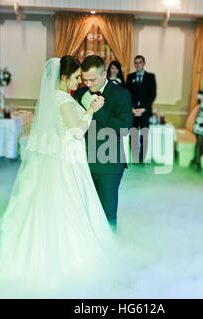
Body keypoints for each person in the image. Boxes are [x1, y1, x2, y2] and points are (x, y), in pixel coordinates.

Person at [0, 57, 118, 295]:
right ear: (63, 77)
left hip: (56, 155)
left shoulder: (52, 97)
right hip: (67, 159)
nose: (77, 83)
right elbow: (76, 131)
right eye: (74, 78)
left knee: (43, 202)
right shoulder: (63, 99)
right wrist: (92, 110)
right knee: (67, 204)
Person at [73, 55, 133, 232]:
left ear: (105, 74)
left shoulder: (121, 94)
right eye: (85, 80)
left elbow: (124, 128)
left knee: (107, 215)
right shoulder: (79, 94)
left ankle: (110, 253)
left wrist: (97, 111)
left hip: (109, 165)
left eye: (93, 79)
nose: (89, 84)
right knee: (84, 213)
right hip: (82, 164)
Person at [126, 55, 157, 163]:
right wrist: (132, 108)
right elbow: (127, 94)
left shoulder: (151, 77)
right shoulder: (130, 77)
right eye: (136, 62)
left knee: (144, 136)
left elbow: (152, 95)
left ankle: (142, 159)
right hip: (133, 112)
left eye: (140, 62)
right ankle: (135, 157)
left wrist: (144, 109)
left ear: (144, 63)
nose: (138, 64)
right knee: (133, 135)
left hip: (145, 112)